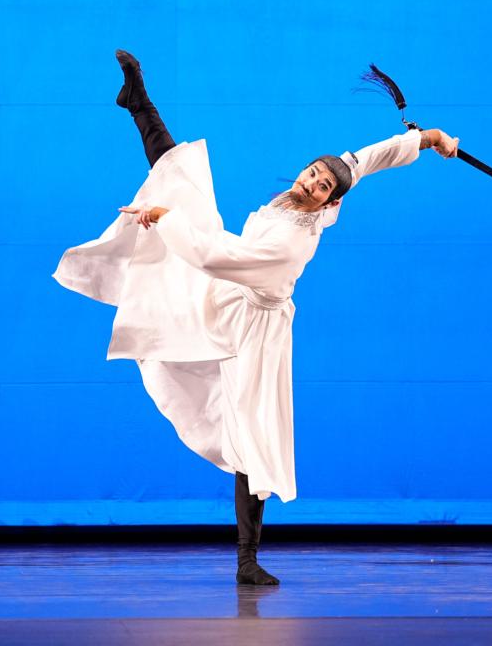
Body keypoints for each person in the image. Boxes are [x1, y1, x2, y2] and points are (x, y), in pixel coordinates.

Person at [53, 50, 459, 585]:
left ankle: (247, 558)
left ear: (329, 203)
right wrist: (429, 139)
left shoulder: (291, 245)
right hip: (229, 290)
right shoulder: (319, 190)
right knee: (182, 178)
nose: (310, 182)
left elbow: (215, 257)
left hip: (254, 330)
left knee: (253, 436)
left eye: (321, 186)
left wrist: (164, 219)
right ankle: (138, 102)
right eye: (312, 173)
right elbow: (367, 159)